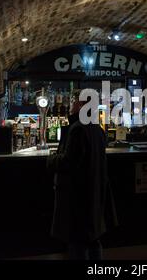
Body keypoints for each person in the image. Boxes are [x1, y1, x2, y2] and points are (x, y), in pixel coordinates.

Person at [47, 89, 118, 260]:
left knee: (77, 241)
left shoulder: (77, 129)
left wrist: (50, 159)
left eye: (74, 102)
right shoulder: (98, 129)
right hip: (93, 193)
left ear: (81, 105)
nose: (71, 105)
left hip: (77, 195)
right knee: (93, 239)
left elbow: (69, 162)